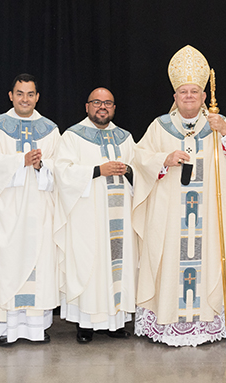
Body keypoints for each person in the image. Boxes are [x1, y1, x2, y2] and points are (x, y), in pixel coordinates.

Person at [131, 45, 226, 346]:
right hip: (169, 217)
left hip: (206, 217)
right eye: (183, 92)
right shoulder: (160, 126)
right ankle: (167, 324)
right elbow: (140, 158)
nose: (188, 97)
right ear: (174, 97)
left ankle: (203, 325)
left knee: (205, 260)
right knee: (169, 260)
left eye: (194, 92)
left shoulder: (217, 125)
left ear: (202, 96)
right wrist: (163, 160)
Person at [0, 73, 60, 346]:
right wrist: (19, 160)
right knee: (8, 262)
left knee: (40, 262)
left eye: (30, 94)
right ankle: (5, 328)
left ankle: (36, 327)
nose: (25, 99)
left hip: (39, 205)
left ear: (37, 97)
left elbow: (61, 167)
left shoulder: (50, 128)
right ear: (11, 96)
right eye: (20, 93)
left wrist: (41, 166)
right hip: (8, 208)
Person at [55, 87, 137, 343]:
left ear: (114, 108)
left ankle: (116, 323)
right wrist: (98, 170)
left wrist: (129, 171)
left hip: (119, 217)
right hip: (87, 217)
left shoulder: (125, 137)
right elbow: (62, 172)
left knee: (117, 265)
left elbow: (140, 171)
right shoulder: (72, 136)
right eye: (97, 103)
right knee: (89, 264)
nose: (103, 107)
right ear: (87, 106)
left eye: (108, 103)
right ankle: (85, 325)